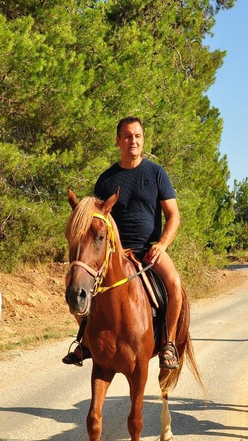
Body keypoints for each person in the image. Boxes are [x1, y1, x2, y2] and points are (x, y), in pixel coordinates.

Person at [63, 116, 182, 369]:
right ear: (118, 141)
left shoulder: (156, 173)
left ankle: (169, 342)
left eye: (137, 136)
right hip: (114, 252)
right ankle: (85, 342)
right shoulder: (106, 179)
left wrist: (161, 245)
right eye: (128, 136)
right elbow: (93, 219)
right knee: (75, 285)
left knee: (174, 283)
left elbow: (173, 215)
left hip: (150, 248)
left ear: (143, 139)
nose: (133, 141)